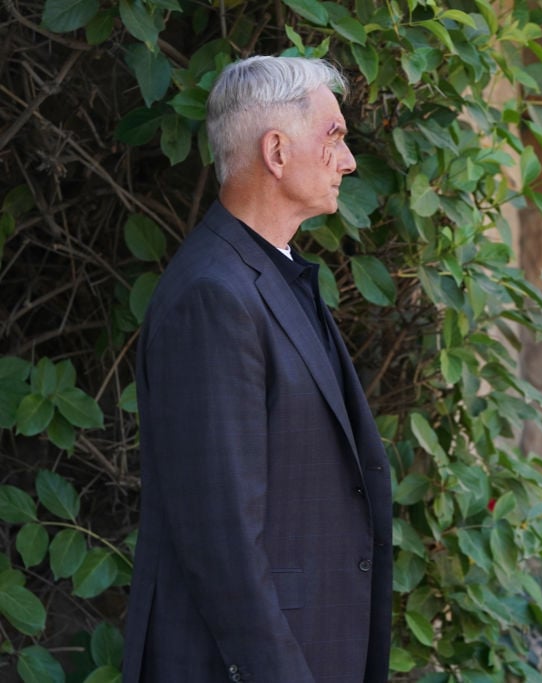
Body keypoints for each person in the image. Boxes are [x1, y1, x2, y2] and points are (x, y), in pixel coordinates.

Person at [122, 55, 392, 683]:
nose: (349, 161)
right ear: (276, 151)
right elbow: (223, 542)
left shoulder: (264, 271)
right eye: (335, 136)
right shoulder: (212, 295)